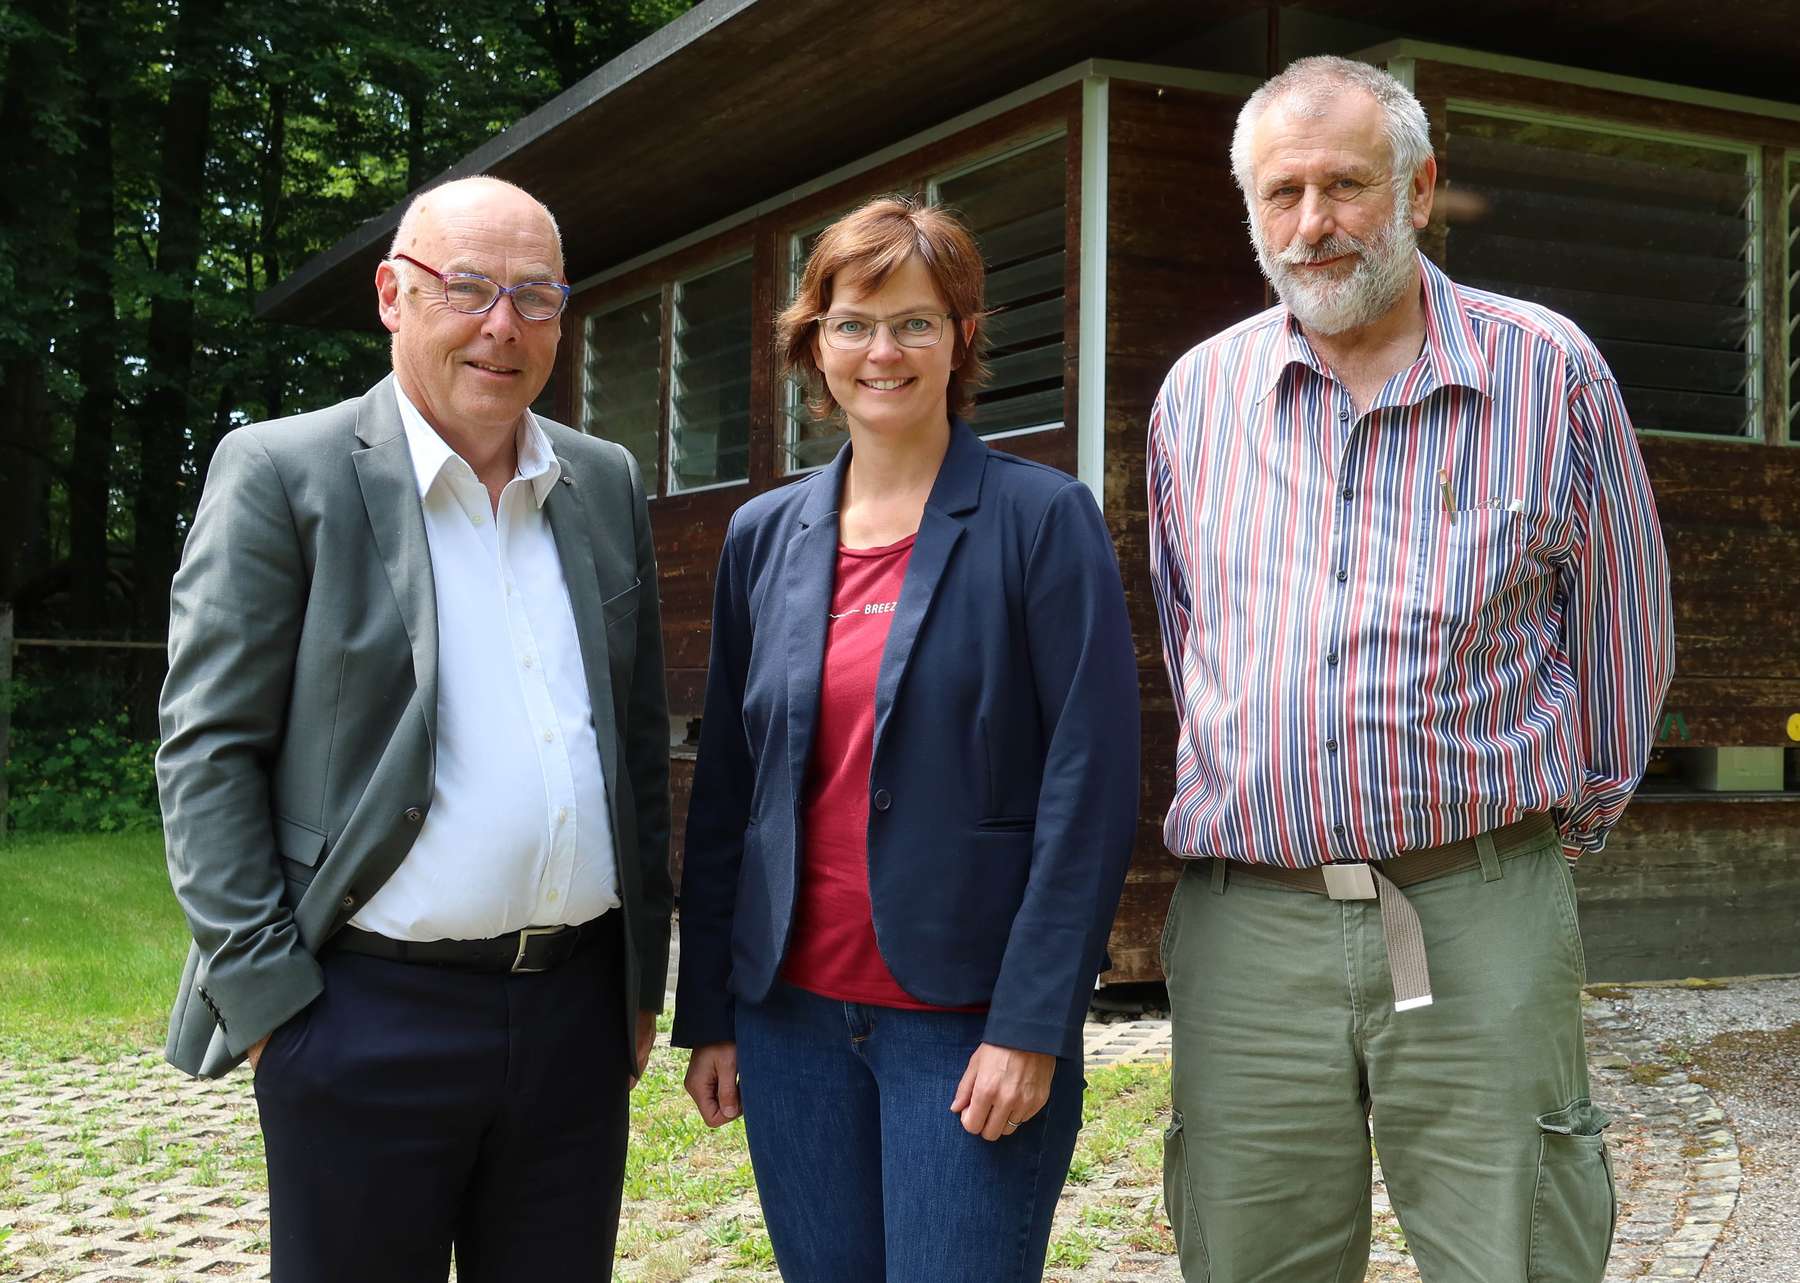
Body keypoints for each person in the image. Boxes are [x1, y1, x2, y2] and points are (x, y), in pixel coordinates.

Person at [1147, 56, 1673, 1283]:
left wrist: (1534, 849)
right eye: (1283, 194)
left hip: (1473, 898)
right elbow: (1190, 638)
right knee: (1248, 1254)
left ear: (1421, 187)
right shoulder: (1198, 398)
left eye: (1347, 184)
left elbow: (1624, 636)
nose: (1314, 224)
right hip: (1252, 920)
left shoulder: (1549, 375)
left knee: (1518, 1248)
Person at [156, 175, 671, 1282]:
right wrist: (270, 1007)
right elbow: (207, 749)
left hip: (573, 1020)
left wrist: (638, 982)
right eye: (469, 287)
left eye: (536, 295)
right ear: (393, 293)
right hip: (361, 1018)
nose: (504, 324)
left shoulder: (603, 479)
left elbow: (634, 753)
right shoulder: (283, 473)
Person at [671, 195, 1138, 1282]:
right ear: (814, 340)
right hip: (789, 1021)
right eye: (853, 322)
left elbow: (1091, 788)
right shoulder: (761, 537)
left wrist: (1033, 1023)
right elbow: (728, 788)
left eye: (916, 321)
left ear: (962, 337)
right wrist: (715, 1013)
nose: (883, 350)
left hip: (965, 1024)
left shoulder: (1040, 519)